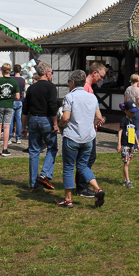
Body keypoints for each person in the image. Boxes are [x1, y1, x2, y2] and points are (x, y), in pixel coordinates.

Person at [58, 69, 106, 208]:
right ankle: (97, 189)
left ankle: (68, 199)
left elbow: (65, 117)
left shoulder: (70, 97)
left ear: (73, 82)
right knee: (83, 166)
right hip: (88, 137)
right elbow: (99, 117)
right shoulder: (92, 97)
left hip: (72, 136)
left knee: (68, 167)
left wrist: (60, 126)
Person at [23, 62, 59, 191]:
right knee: (52, 148)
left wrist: (23, 126)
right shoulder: (51, 87)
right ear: (47, 73)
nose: (51, 75)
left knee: (34, 151)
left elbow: (25, 109)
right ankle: (44, 174)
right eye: (51, 73)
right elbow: (52, 106)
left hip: (33, 119)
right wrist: (55, 123)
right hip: (46, 119)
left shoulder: (31, 88)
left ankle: (33, 184)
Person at [76, 61, 106, 198]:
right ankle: (82, 187)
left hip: (89, 127)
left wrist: (97, 119)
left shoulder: (88, 87)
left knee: (87, 158)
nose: (102, 79)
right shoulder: (86, 88)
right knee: (87, 158)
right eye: (101, 76)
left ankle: (82, 186)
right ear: (94, 73)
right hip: (86, 130)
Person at [0, 63, 20, 157]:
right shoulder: (14, 82)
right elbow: (18, 96)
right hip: (9, 105)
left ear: (2, 71)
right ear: (10, 71)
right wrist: (10, 97)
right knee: (7, 127)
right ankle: (5, 149)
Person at [117, 101, 139, 188]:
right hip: (125, 144)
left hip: (131, 144)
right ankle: (128, 181)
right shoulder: (124, 120)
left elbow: (134, 133)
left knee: (128, 162)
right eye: (131, 112)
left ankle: (125, 179)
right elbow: (120, 131)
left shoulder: (133, 121)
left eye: (134, 112)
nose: (133, 113)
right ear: (126, 111)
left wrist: (137, 144)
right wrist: (119, 144)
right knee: (126, 163)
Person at [10, 64, 27, 144]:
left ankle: (9, 138)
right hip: (19, 100)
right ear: (20, 71)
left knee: (10, 120)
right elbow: (23, 90)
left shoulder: (11, 79)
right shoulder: (23, 80)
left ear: (13, 70)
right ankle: (18, 138)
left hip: (12, 100)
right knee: (18, 120)